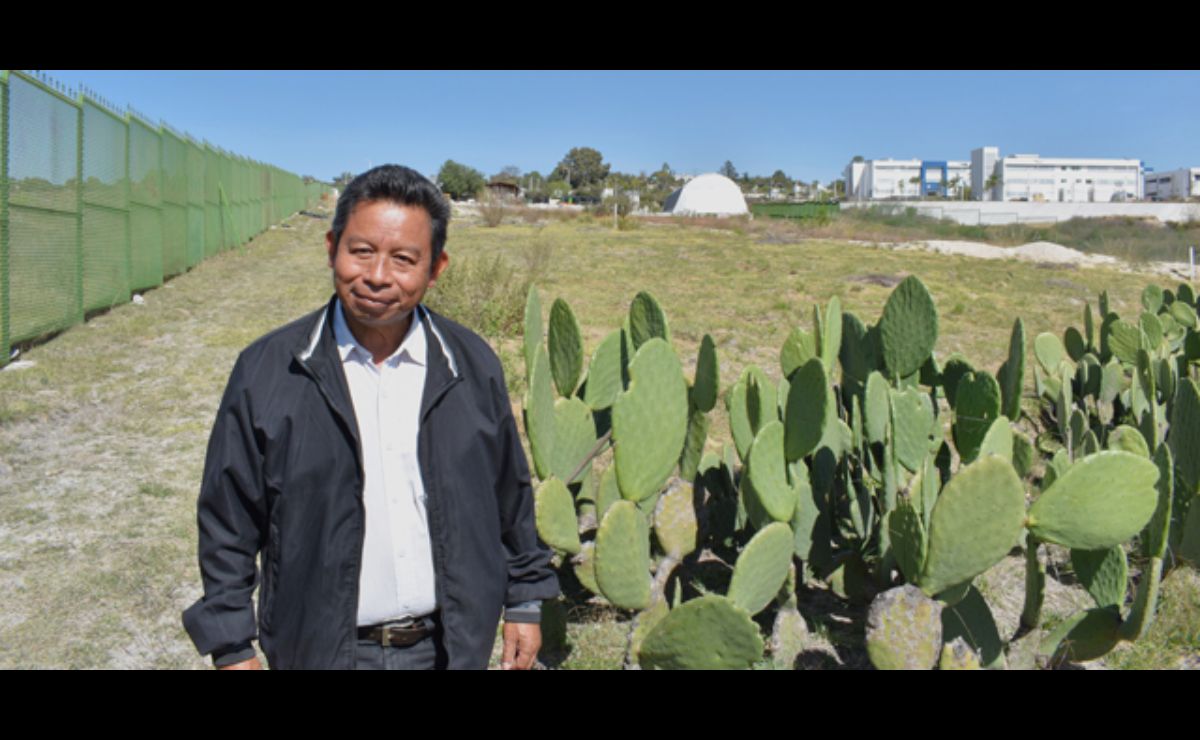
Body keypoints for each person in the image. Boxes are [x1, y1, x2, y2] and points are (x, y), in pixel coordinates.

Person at [182, 164, 559, 669]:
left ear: (436, 268)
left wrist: (525, 601)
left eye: (404, 259)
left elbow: (509, 495)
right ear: (331, 247)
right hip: (318, 651)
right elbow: (227, 518)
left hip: (446, 649)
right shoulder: (270, 370)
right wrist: (231, 646)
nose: (378, 276)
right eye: (361, 251)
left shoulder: (470, 365)